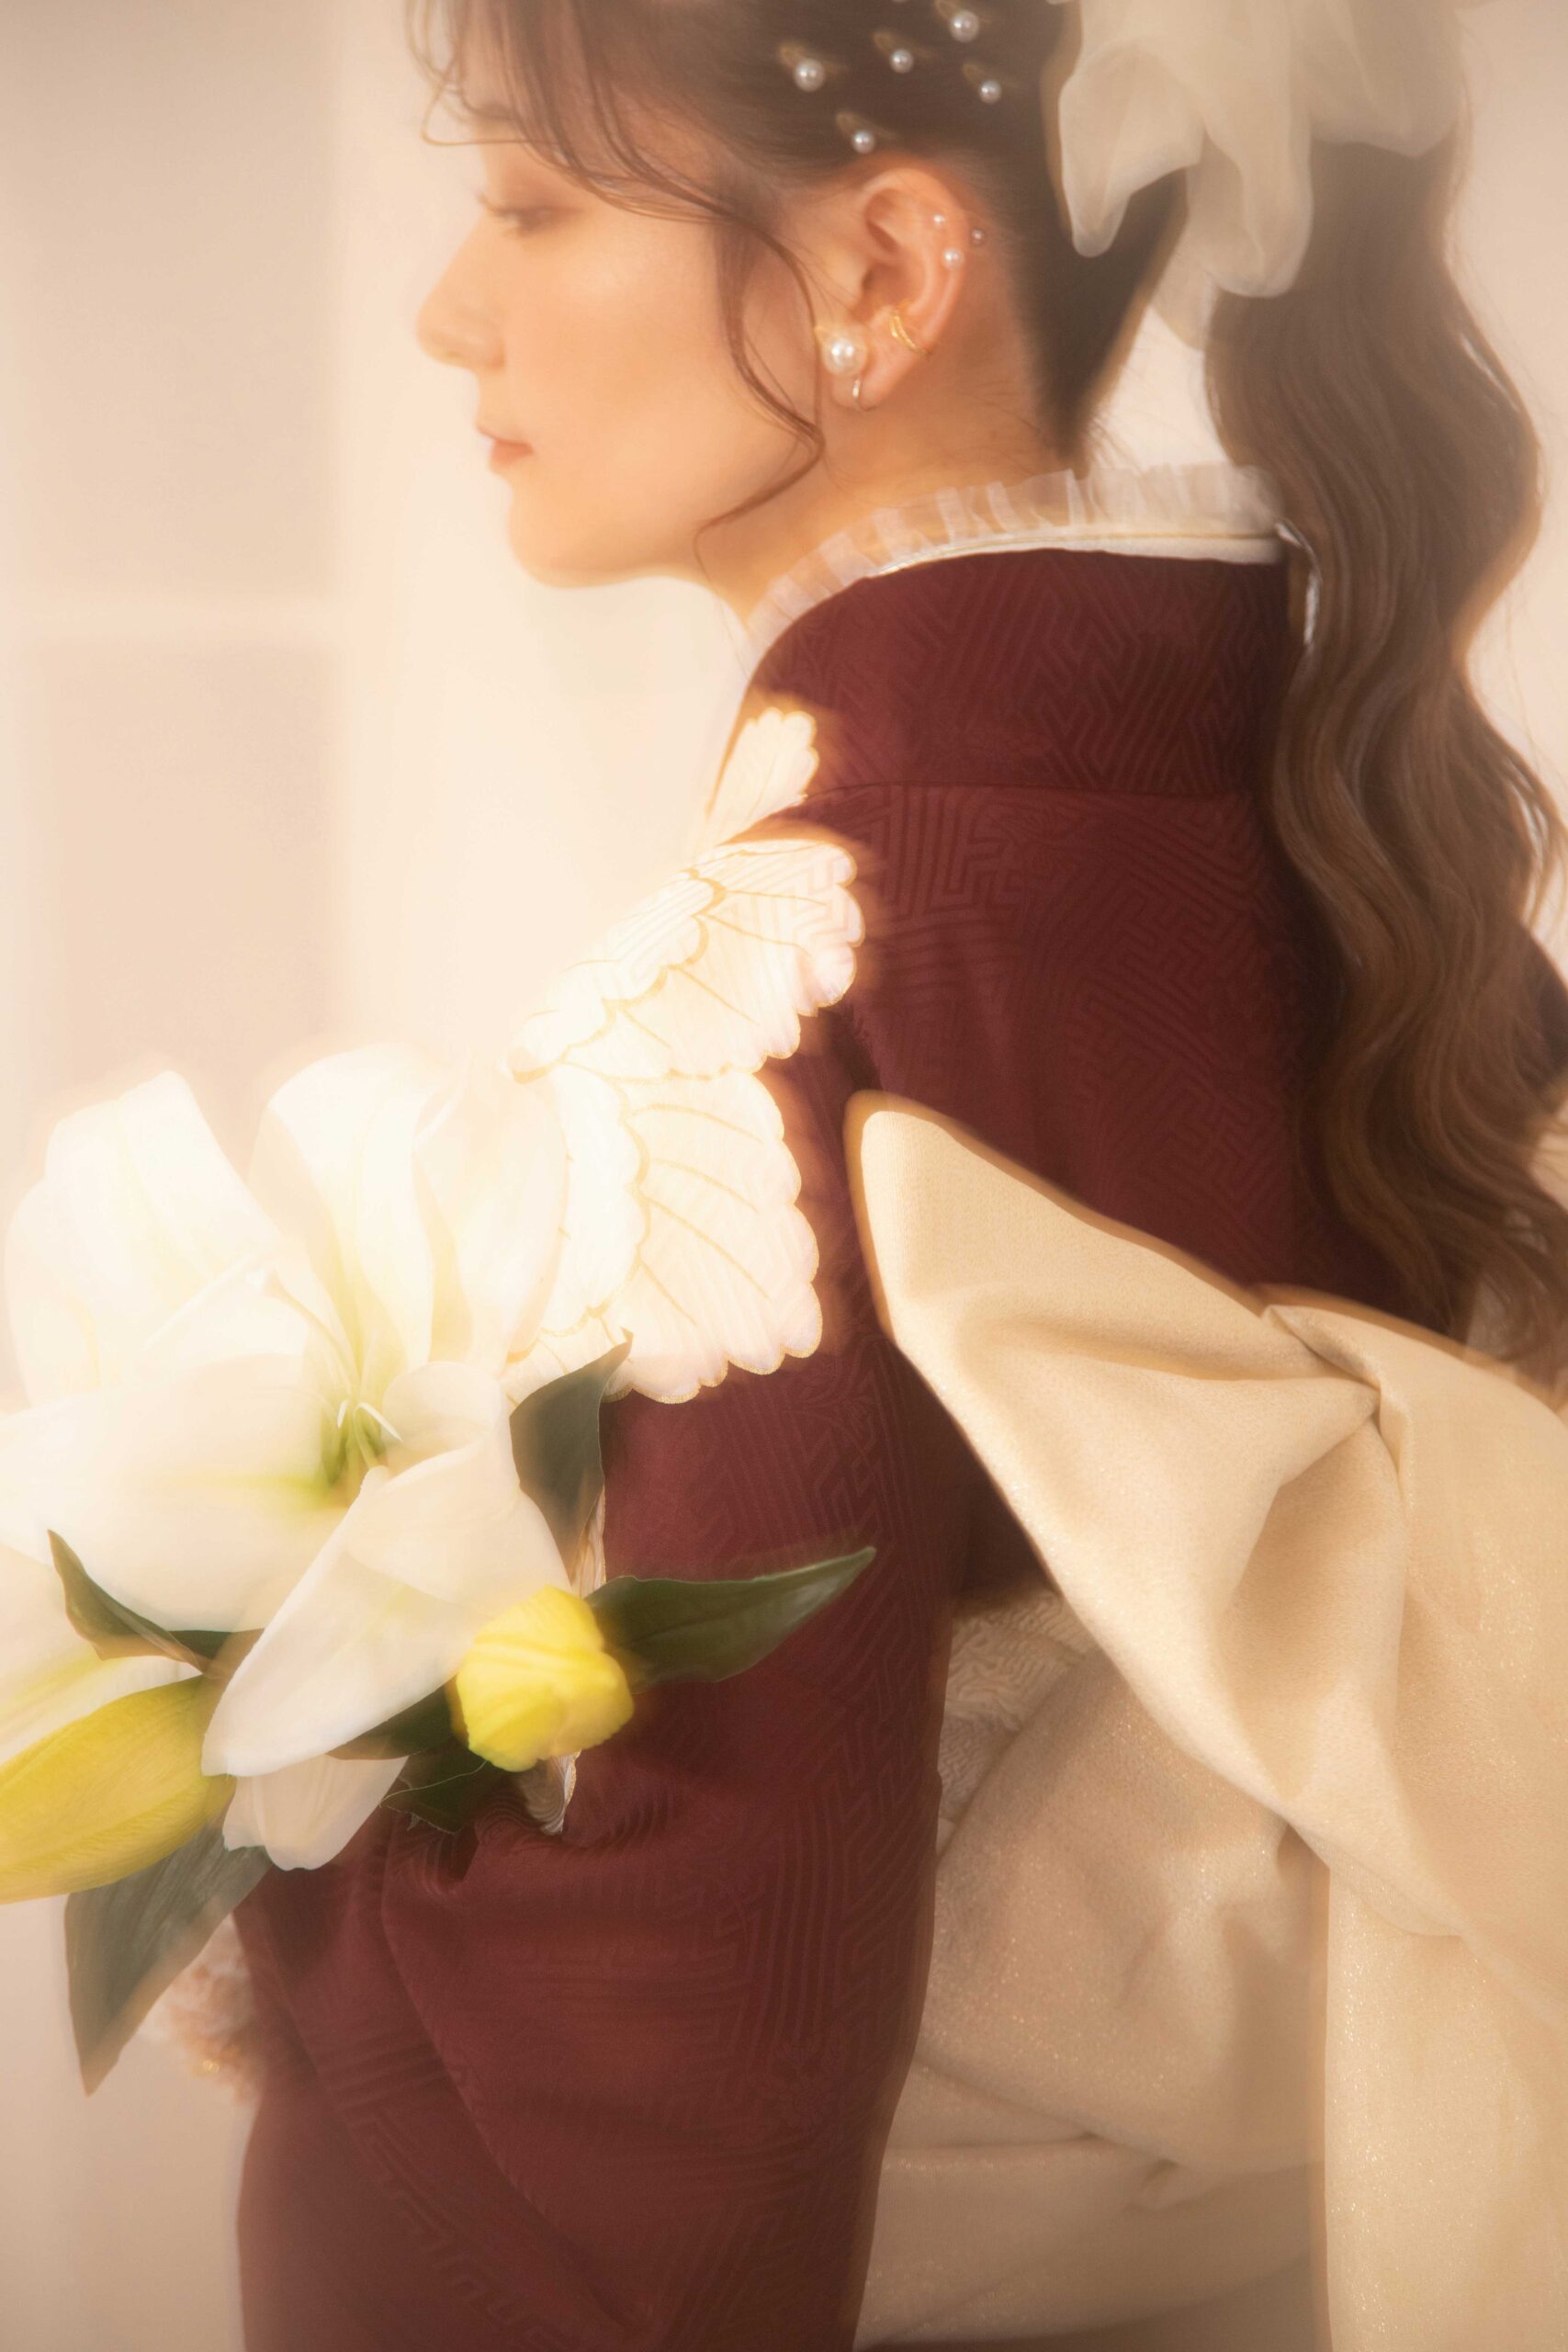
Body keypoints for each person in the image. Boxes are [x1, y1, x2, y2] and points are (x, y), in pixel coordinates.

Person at [226, 2, 1568, 2347]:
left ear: (885, 267)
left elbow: (681, 2055)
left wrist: (262, 1814)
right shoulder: (1384, 880)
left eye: (532, 203)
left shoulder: (751, 993)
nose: (452, 308)